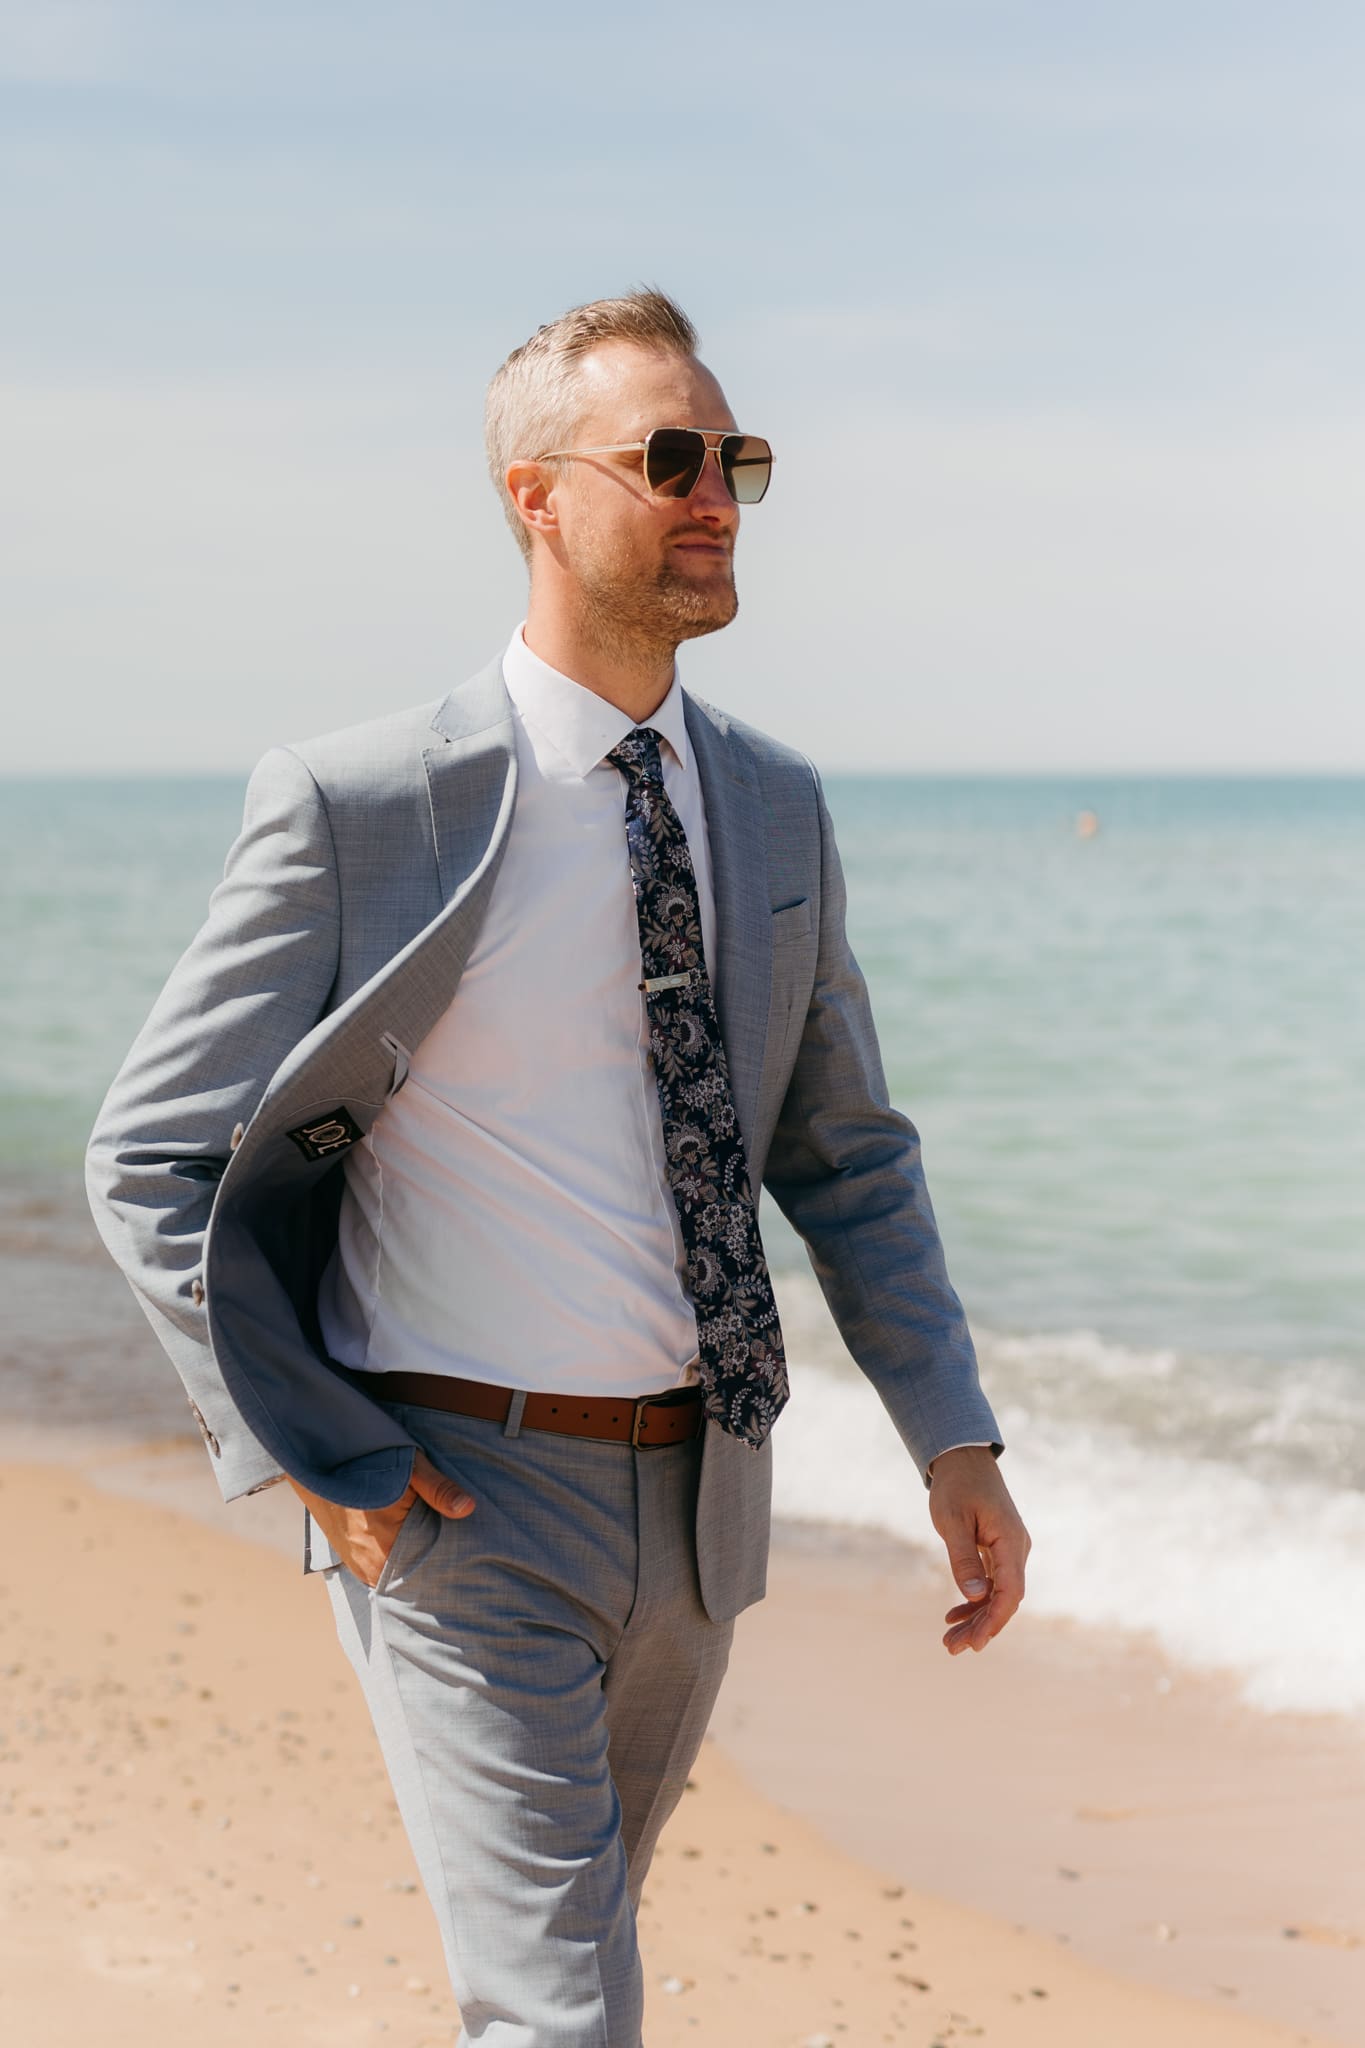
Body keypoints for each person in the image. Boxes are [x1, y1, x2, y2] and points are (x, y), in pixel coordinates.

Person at [86, 289, 1030, 2047]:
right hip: (451, 1503)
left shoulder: (770, 805)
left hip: (698, 1514)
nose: (713, 496)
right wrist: (313, 1450)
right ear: (536, 496)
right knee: (559, 2014)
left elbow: (845, 1153)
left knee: (565, 1972)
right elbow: (149, 1153)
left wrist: (950, 1432)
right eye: (667, 458)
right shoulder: (365, 802)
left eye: (733, 459)